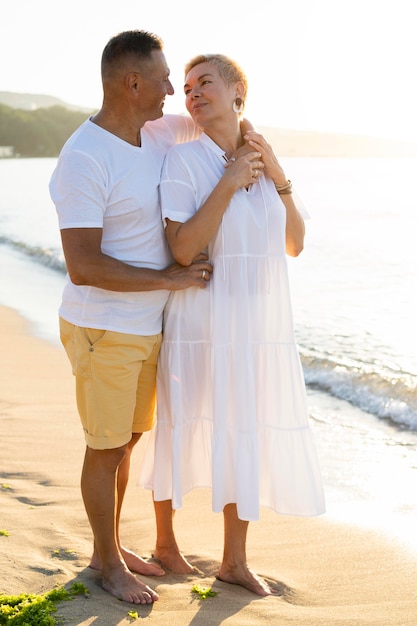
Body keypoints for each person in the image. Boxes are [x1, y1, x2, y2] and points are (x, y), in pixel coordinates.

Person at [138, 54, 325, 596]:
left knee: (243, 431)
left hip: (255, 324)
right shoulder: (184, 159)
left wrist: (279, 177)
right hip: (202, 317)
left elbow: (295, 244)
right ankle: (165, 543)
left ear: (237, 89)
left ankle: (234, 561)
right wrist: (229, 181)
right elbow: (182, 246)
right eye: (188, 87)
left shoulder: (266, 158)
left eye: (205, 84)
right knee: (180, 425)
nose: (192, 94)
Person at [48, 31, 216, 605]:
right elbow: (82, 264)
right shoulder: (84, 157)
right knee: (106, 448)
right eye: (166, 78)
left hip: (147, 325)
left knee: (127, 441)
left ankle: (107, 550)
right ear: (133, 82)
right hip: (103, 327)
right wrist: (169, 279)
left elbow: (217, 120)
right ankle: (108, 565)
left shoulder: (154, 134)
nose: (174, 89)